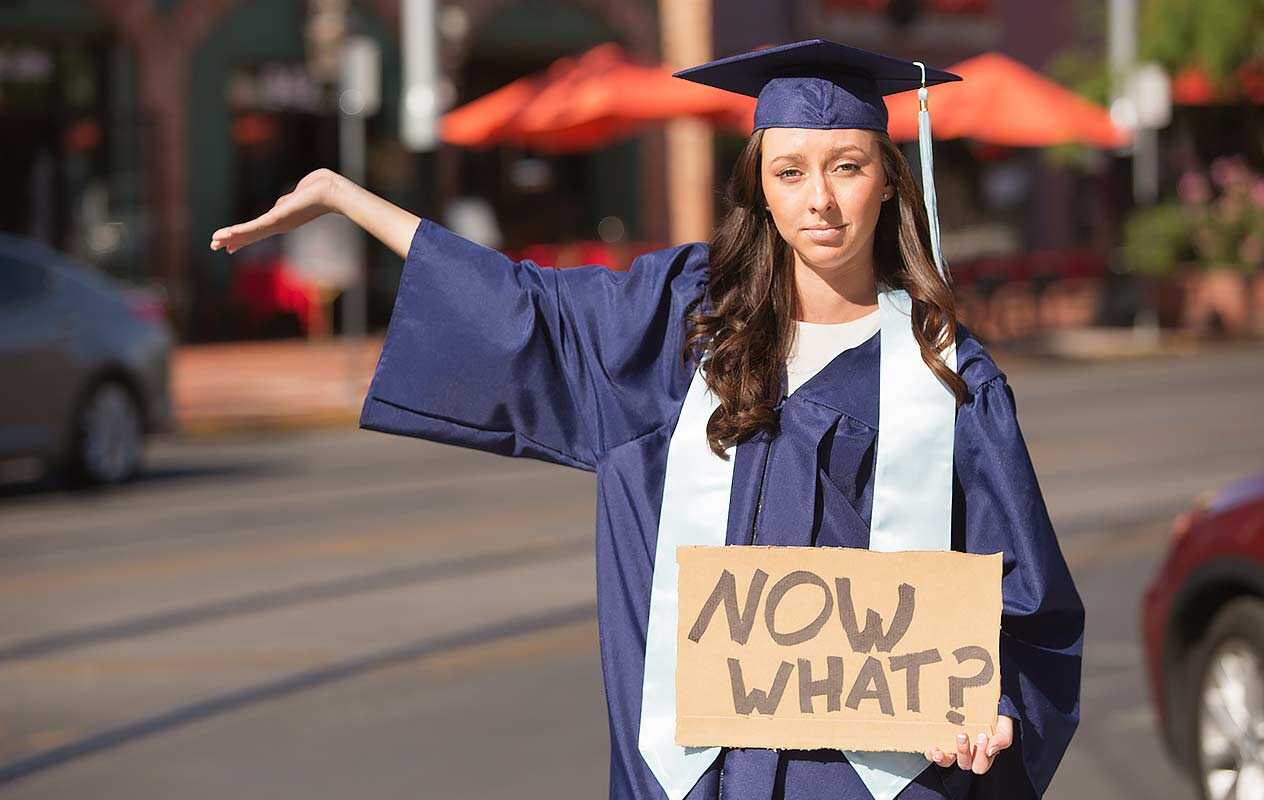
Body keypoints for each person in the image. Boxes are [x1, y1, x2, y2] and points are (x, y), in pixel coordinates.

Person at [211, 37, 1083, 800]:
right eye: (791, 171)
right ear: (762, 193)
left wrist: (991, 712)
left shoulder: (948, 378)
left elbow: (1025, 604)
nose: (820, 199)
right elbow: (521, 309)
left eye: (847, 166)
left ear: (890, 185)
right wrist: (345, 198)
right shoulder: (683, 326)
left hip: (865, 784)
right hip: (693, 780)